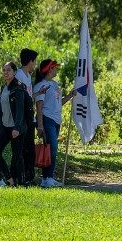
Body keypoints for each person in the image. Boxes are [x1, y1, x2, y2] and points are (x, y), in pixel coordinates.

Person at [34, 59, 76, 188]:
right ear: (49, 69)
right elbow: (39, 107)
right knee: (52, 149)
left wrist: (69, 96)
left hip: (56, 120)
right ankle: (48, 178)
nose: (56, 69)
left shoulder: (55, 84)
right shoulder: (40, 86)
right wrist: (40, 126)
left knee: (50, 150)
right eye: (54, 67)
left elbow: (58, 103)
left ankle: (47, 178)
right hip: (47, 120)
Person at [0, 61, 35, 187]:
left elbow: (20, 111)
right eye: (4, 70)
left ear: (15, 72)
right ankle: (10, 179)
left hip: (17, 127)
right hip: (5, 126)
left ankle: (22, 183)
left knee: (17, 155)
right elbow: (2, 110)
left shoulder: (18, 88)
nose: (5, 72)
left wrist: (17, 128)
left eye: (9, 70)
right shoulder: (3, 88)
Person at [16, 48, 39, 185]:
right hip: (22, 119)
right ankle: (20, 177)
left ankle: (29, 177)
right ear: (30, 61)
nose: (35, 64)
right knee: (22, 148)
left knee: (30, 148)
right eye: (35, 61)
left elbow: (27, 96)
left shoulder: (28, 76)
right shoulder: (18, 75)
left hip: (30, 117)